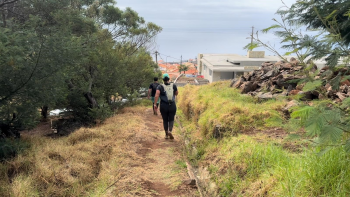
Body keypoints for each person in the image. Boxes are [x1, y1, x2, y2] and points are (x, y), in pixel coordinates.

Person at [154, 73, 178, 139]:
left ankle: (166, 134)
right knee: (171, 119)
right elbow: (176, 93)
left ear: (163, 79)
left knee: (165, 120)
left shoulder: (160, 86)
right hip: (172, 104)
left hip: (163, 105)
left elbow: (157, 95)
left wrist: (155, 104)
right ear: (168, 79)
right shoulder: (173, 85)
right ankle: (170, 131)